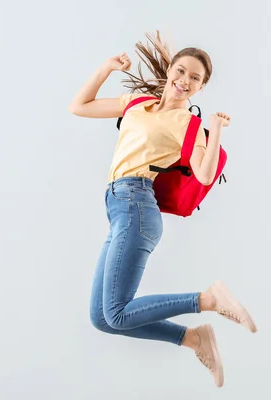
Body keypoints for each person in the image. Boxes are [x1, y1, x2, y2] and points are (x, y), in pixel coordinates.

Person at [68, 31, 257, 388]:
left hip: (138, 208)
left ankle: (208, 299)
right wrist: (106, 68)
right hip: (118, 208)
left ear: (201, 88)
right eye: (182, 71)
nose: (185, 80)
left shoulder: (189, 125)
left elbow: (203, 174)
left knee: (118, 313)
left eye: (195, 79)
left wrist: (214, 129)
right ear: (170, 70)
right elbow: (79, 106)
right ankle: (193, 338)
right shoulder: (138, 103)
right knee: (102, 317)